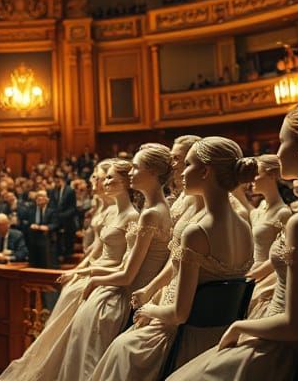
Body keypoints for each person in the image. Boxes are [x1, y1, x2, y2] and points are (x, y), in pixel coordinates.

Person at [169, 106, 298, 380]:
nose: (278, 150)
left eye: (282, 142)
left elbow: (295, 326)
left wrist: (242, 326)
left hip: (283, 357)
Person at [90, 138, 256, 379]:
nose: (180, 170)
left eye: (187, 164)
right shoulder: (244, 227)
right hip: (219, 336)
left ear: (206, 171)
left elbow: (179, 314)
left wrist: (150, 309)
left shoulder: (196, 231)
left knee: (121, 348)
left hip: (182, 338)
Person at [0, 159, 136, 381]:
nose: (100, 181)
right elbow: (94, 250)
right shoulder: (110, 211)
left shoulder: (131, 216)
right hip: (98, 268)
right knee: (70, 291)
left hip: (109, 276)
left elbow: (122, 262)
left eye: (105, 177)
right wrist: (80, 271)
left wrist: (85, 273)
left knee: (74, 294)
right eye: (102, 177)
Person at [60, 144, 174, 380]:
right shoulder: (156, 209)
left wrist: (93, 279)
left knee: (87, 317)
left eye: (136, 168)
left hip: (128, 295)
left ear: (152, 173)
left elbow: (127, 276)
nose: (131, 173)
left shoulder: (151, 213)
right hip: (130, 288)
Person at [246, 154, 293, 319]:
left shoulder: (283, 212)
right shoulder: (259, 207)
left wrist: (254, 275)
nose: (252, 179)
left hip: (268, 274)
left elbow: (280, 254)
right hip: (253, 269)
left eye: (256, 173)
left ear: (272, 175)